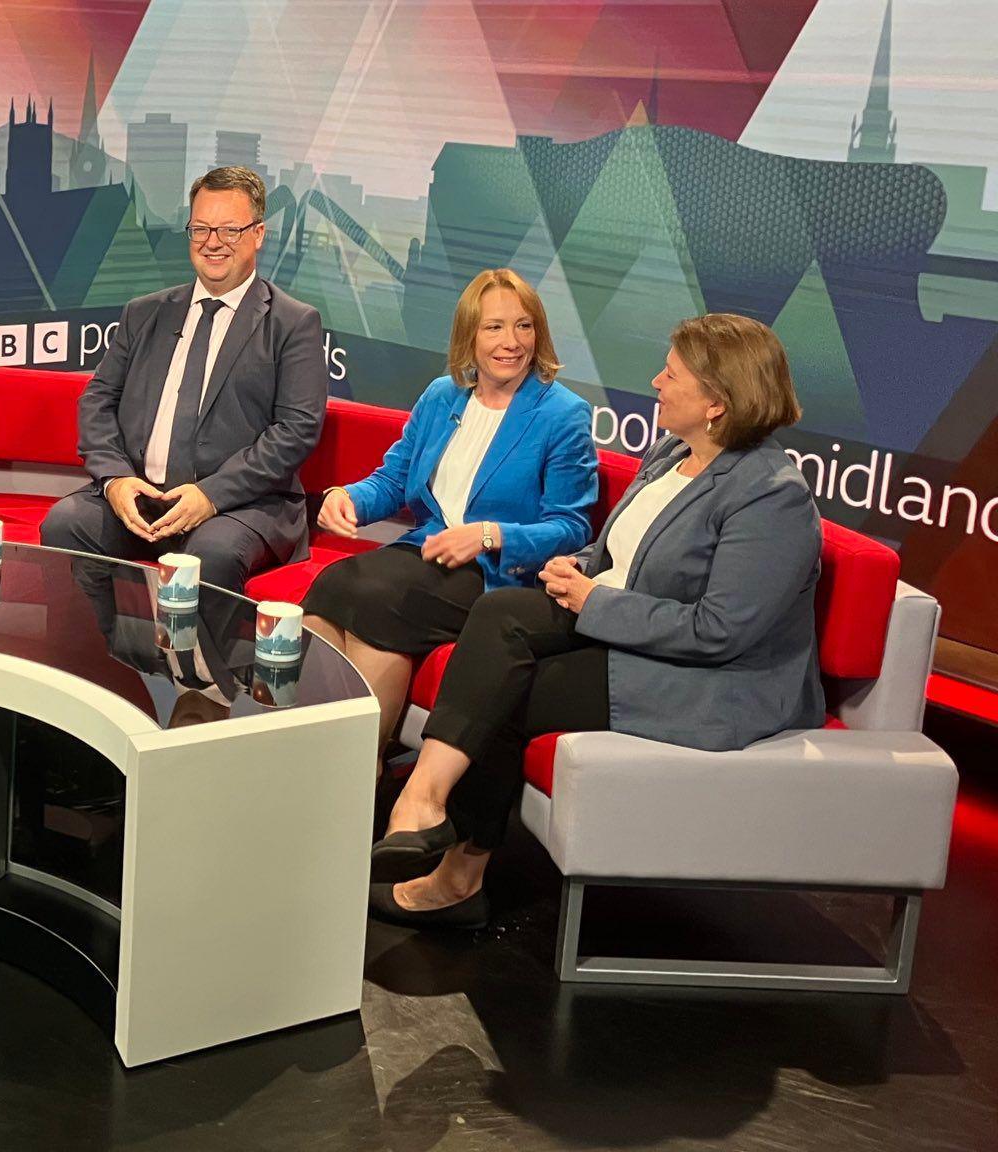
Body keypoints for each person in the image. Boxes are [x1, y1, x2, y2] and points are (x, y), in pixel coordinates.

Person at [368, 314, 821, 928]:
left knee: (511, 688)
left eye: (673, 373)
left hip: (712, 682)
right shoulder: (672, 453)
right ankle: (424, 802)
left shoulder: (771, 495)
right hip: (632, 625)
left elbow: (720, 630)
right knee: (500, 612)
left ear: (717, 401)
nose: (656, 381)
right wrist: (573, 567)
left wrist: (592, 600)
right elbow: (617, 552)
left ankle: (457, 876)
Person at [303, 268, 596, 747]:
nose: (511, 342)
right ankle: (321, 757)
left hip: (492, 573)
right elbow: (396, 478)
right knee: (335, 584)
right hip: (425, 552)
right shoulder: (442, 396)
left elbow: (571, 526)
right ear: (470, 335)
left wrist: (489, 534)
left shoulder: (561, 414)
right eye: (494, 327)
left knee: (380, 599)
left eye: (524, 326)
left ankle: (362, 766)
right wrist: (347, 497)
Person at [41, 166, 326, 594]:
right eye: (200, 228)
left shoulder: (292, 322)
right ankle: (97, 657)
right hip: (142, 497)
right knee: (65, 525)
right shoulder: (145, 312)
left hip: (236, 507)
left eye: (229, 230)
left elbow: (296, 431)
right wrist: (115, 479)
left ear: (259, 234)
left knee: (207, 557)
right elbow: (97, 401)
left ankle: (198, 664)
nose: (212, 243)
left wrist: (210, 495)